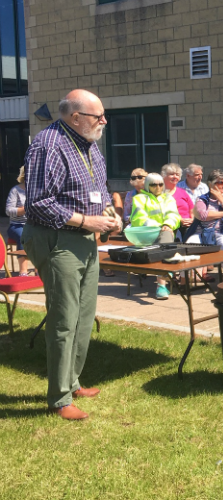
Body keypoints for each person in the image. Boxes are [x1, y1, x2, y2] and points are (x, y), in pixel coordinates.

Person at [23, 89, 121, 420]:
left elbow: (100, 189)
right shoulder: (47, 144)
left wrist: (109, 213)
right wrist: (85, 220)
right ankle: (59, 398)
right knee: (64, 319)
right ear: (75, 117)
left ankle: (73, 380)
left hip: (84, 239)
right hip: (56, 238)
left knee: (83, 315)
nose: (104, 121)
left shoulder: (89, 145)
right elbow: (38, 202)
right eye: (98, 116)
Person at [130, 173, 181, 299]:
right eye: (153, 184)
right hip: (145, 235)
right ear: (148, 185)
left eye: (160, 184)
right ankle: (165, 272)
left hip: (165, 234)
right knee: (166, 243)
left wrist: (168, 224)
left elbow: (174, 215)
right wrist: (158, 227)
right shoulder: (139, 198)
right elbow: (139, 218)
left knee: (165, 237)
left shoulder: (168, 198)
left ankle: (161, 285)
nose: (157, 187)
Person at [185, 169, 223, 281]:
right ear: (211, 184)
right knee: (189, 245)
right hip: (201, 233)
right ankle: (185, 280)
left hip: (222, 232)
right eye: (220, 183)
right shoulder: (202, 199)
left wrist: (221, 199)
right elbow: (203, 215)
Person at [5, 166, 33, 276]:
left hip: (34, 224)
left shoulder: (39, 191)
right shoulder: (15, 190)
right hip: (17, 225)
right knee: (24, 235)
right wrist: (23, 210)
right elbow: (8, 211)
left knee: (42, 235)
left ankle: (39, 270)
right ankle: (23, 272)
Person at [162, 163, 194, 240]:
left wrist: (192, 219)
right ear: (164, 176)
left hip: (187, 224)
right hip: (170, 223)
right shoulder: (161, 193)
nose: (175, 177)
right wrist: (180, 219)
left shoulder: (183, 192)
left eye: (177, 174)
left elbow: (192, 208)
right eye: (172, 174)